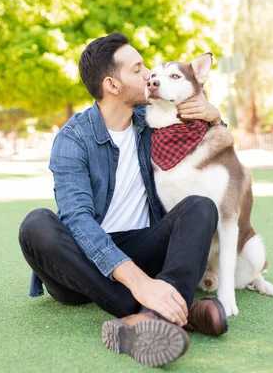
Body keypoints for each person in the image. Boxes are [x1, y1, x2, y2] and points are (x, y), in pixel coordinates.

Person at [18, 33, 228, 368]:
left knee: (201, 206)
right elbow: (78, 221)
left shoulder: (155, 121)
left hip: (144, 246)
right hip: (82, 265)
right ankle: (176, 312)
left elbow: (212, 142)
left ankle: (149, 318)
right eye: (138, 69)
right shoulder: (72, 139)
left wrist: (215, 117)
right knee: (36, 224)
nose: (150, 76)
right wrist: (140, 283)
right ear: (112, 85)